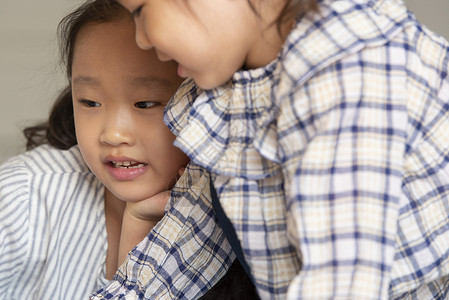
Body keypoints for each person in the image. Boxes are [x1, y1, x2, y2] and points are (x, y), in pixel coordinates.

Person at [111, 0, 449, 299]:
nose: (141, 39)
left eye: (141, 11)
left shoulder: (348, 72)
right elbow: (189, 237)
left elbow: (339, 282)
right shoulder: (235, 91)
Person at [0, 0, 256, 299]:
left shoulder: (249, 218)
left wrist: (139, 225)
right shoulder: (24, 196)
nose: (113, 134)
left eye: (145, 104)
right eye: (90, 102)